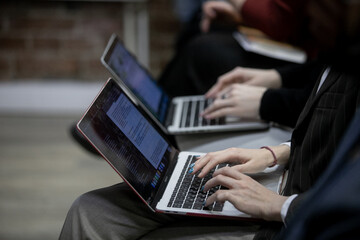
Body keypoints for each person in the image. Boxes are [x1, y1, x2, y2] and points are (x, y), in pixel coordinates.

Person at [59, 0, 360, 239]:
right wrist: (277, 152)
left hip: (294, 214)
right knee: (89, 210)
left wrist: (279, 205)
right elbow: (335, 126)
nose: (307, 13)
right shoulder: (344, 55)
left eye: (320, 5)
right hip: (291, 173)